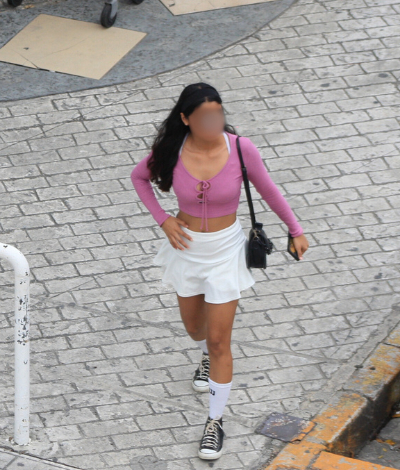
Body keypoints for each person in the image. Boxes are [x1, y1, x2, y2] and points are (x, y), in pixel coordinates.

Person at [130, 83, 309, 461]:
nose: (214, 122)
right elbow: (139, 178)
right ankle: (206, 357)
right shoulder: (172, 151)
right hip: (187, 249)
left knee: (218, 340)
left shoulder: (241, 149)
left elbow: (269, 190)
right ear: (186, 119)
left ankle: (214, 421)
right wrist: (163, 219)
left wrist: (296, 230)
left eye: (219, 114)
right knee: (196, 330)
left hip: (227, 251)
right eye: (205, 117)